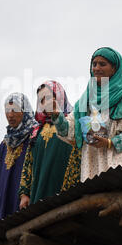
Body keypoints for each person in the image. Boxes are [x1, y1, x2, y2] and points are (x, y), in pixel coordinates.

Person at [51, 47, 122, 182]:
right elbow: (71, 131)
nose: (96, 68)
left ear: (114, 68)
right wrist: (57, 116)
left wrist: (110, 142)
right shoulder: (86, 97)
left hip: (117, 160)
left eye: (102, 64)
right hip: (91, 164)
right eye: (94, 64)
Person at [18, 81, 81, 209]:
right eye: (41, 101)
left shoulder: (73, 122)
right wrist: (24, 194)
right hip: (39, 190)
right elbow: (28, 164)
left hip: (66, 188)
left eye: (48, 98)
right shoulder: (36, 131)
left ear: (59, 97)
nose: (45, 104)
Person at [0, 93, 38, 226]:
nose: (10, 115)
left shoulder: (35, 135)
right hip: (3, 206)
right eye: (7, 111)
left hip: (25, 201)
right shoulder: (5, 143)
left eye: (15, 110)